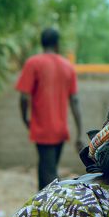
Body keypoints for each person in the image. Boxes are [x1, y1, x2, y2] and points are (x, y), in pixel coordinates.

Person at [16, 27, 84, 190]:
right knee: (46, 167)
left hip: (42, 129)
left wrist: (25, 118)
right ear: (57, 44)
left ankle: (54, 208)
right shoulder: (68, 66)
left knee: (49, 172)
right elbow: (74, 100)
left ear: (42, 43)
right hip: (60, 130)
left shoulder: (34, 63)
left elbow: (24, 97)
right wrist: (79, 132)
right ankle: (42, 205)